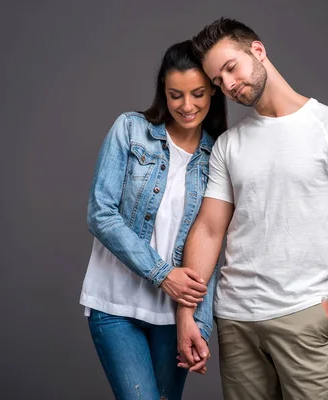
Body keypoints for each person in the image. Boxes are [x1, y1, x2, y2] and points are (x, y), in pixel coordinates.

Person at [175, 18, 328, 399]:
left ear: (257, 51)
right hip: (236, 322)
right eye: (219, 82)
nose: (229, 85)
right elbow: (209, 229)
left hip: (303, 318)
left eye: (230, 68)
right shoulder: (229, 145)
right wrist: (186, 314)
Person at [79, 40, 227, 400]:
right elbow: (101, 213)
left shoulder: (218, 155)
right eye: (176, 94)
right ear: (163, 88)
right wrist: (162, 274)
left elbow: (208, 241)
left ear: (213, 93)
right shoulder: (130, 130)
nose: (187, 106)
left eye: (198, 94)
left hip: (174, 316)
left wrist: (198, 324)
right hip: (114, 305)